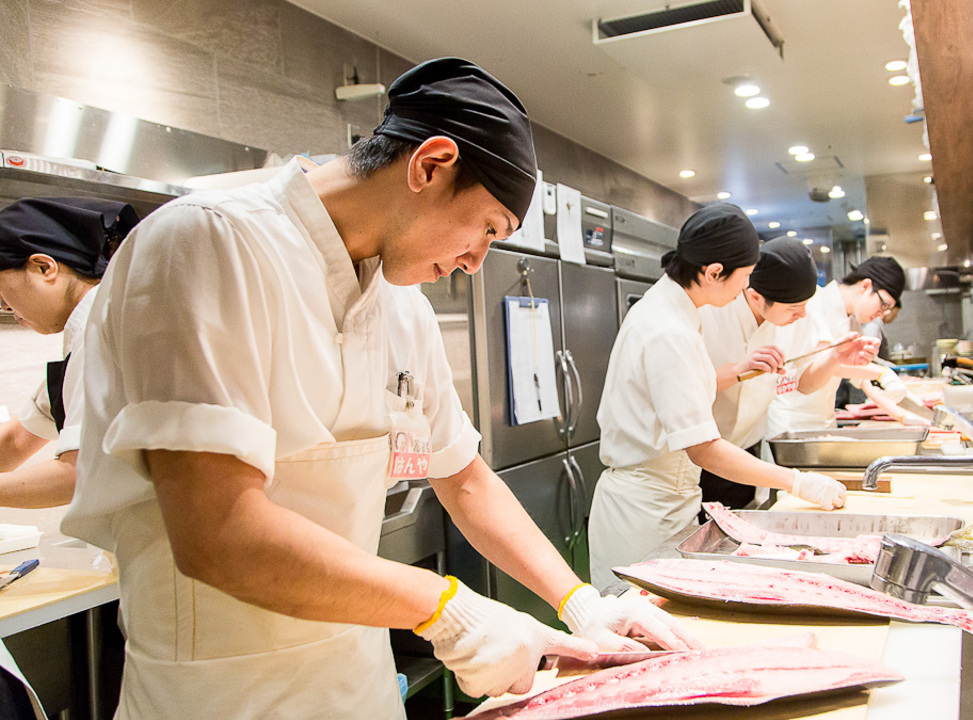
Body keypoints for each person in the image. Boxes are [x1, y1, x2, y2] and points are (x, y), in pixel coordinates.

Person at [61, 58, 697, 719]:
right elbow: (217, 531)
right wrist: (445, 608)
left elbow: (464, 478)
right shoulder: (209, 242)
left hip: (356, 681)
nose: (478, 262)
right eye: (487, 228)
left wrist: (580, 604)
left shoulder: (403, 310)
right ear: (429, 165)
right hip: (216, 692)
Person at [588, 205, 870, 588]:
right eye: (744, 279)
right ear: (713, 272)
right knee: (641, 635)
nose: (746, 290)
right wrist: (796, 482)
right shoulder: (669, 329)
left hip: (671, 500)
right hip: (644, 511)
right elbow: (703, 447)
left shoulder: (680, 310)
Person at [698, 236, 872, 509]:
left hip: (748, 451)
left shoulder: (799, 317)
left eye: (805, 305)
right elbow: (684, 386)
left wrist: (834, 357)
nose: (802, 315)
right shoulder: (711, 312)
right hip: (701, 455)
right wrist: (739, 370)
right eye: (794, 308)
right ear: (755, 297)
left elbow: (801, 383)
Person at [0, 198, 137, 508]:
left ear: (44, 267)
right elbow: (16, 440)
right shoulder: (92, 326)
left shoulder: (106, 331)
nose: (6, 308)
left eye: (0, 290)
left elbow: (77, 476)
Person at [767, 256, 907, 437]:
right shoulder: (815, 302)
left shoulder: (853, 322)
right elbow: (830, 364)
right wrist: (882, 373)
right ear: (865, 286)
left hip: (823, 422)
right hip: (792, 422)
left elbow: (862, 381)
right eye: (884, 305)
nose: (881, 314)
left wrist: (904, 417)